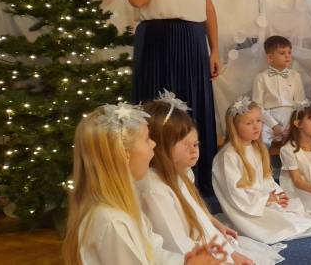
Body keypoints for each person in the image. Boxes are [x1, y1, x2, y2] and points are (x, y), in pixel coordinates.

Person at [121, 0, 222, 195]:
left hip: (193, 41)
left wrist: (215, 48)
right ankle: (157, 186)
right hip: (157, 40)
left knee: (193, 110)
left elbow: (207, 6)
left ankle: (197, 186)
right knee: (159, 113)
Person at [63, 103, 226, 265]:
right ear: (125, 155)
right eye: (147, 139)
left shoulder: (124, 206)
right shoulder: (113, 222)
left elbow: (153, 252)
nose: (154, 144)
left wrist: (186, 260)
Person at [139, 92, 283, 264]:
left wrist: (224, 242)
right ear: (159, 146)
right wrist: (224, 258)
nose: (194, 150)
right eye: (186, 144)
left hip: (198, 244)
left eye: (196, 144)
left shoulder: (182, 173)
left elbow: (197, 212)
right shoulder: (155, 190)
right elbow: (176, 244)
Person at [212, 97, 311, 244]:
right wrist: (266, 199)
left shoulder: (257, 149)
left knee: (294, 208)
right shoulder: (228, 156)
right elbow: (235, 194)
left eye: (259, 121)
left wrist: (278, 194)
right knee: (282, 224)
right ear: (234, 126)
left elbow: (267, 180)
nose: (256, 127)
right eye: (249, 123)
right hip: (247, 207)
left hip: (261, 199)